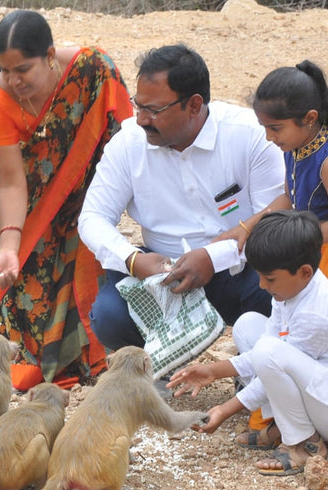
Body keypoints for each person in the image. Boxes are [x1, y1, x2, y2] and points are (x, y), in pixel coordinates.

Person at [0, 10, 132, 391]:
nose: (13, 80)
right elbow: (11, 181)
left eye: (23, 69)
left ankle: (95, 357)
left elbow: (127, 143)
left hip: (93, 197)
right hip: (36, 206)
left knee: (90, 268)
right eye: (5, 71)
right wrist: (9, 244)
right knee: (26, 288)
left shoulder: (95, 72)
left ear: (50, 55)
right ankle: (54, 361)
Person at [77, 44, 282, 353]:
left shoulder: (249, 134)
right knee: (109, 316)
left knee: (283, 286)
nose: (142, 119)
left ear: (195, 105)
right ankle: (149, 378)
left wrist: (214, 258)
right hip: (161, 275)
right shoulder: (128, 143)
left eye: (154, 110)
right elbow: (92, 217)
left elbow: (276, 217)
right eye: (139, 106)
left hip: (240, 267)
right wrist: (134, 260)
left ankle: (256, 370)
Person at [167, 210, 328, 477]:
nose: (261, 285)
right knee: (248, 325)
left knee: (270, 353)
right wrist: (214, 371)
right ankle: (286, 424)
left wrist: (226, 408)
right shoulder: (292, 290)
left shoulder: (316, 313)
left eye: (269, 279)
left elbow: (271, 359)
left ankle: (303, 442)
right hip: (323, 394)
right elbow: (267, 349)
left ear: (304, 272)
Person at [233, 61, 328, 313]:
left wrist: (294, 241)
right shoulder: (294, 145)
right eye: (265, 128)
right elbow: (291, 197)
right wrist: (251, 223)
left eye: (275, 128)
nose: (269, 137)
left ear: (309, 118)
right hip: (312, 245)